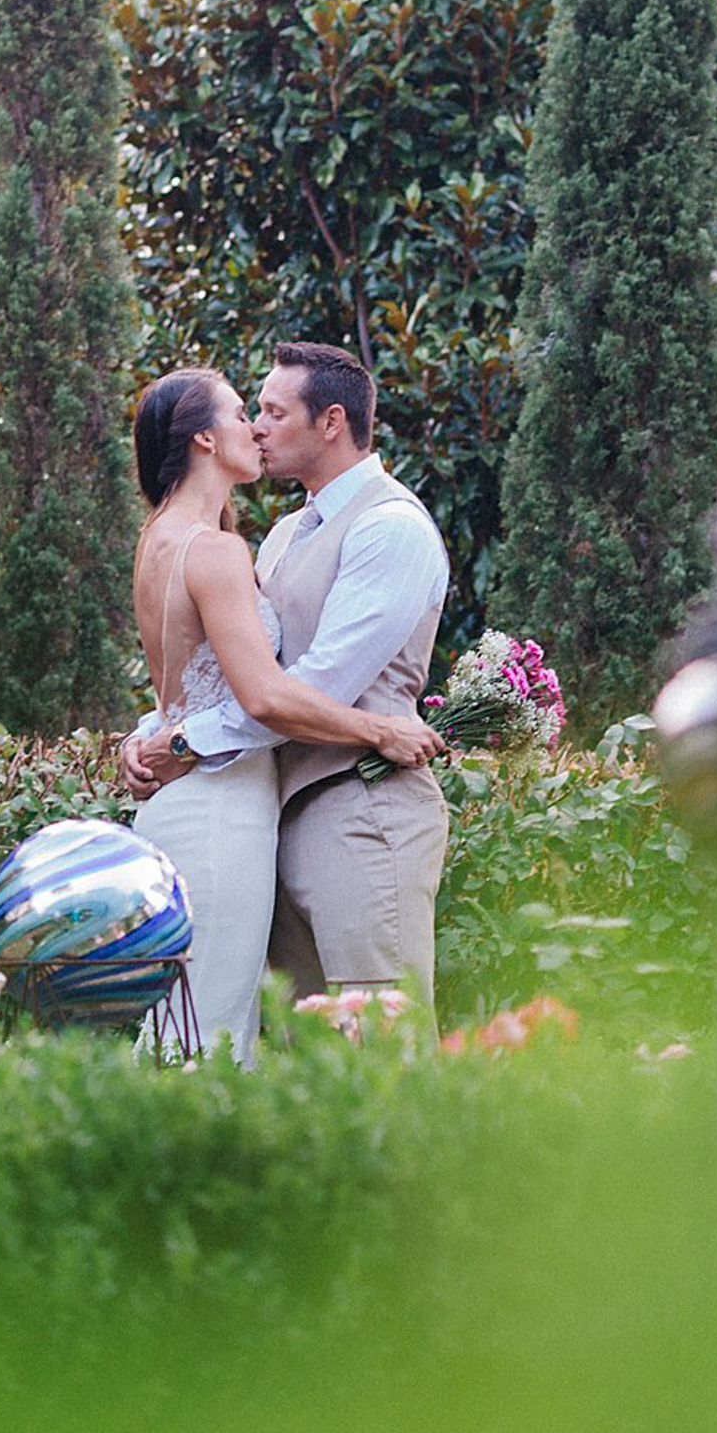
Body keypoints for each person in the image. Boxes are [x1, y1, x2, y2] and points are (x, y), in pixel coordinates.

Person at [122, 342, 454, 1023]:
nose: (260, 427)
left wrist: (178, 740)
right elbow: (229, 675)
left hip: (360, 809)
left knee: (382, 1044)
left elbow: (314, 683)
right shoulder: (275, 538)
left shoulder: (389, 528)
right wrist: (157, 730)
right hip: (267, 815)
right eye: (252, 412)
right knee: (299, 1056)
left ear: (330, 422)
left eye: (272, 411)